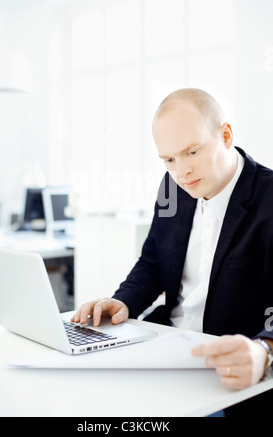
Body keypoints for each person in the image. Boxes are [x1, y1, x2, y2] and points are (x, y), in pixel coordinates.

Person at [72, 88, 273, 416]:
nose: (182, 172)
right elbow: (153, 262)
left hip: (228, 370)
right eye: (169, 160)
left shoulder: (268, 195)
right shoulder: (171, 189)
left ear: (225, 135)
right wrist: (124, 301)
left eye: (192, 152)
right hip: (166, 348)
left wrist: (265, 350)